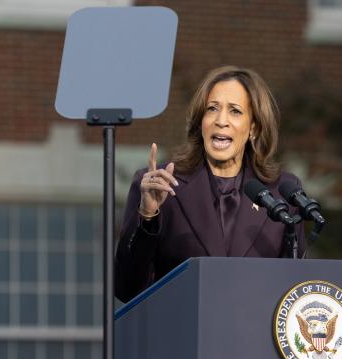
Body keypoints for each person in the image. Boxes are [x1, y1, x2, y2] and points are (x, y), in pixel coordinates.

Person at [114, 66, 305, 303]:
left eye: (235, 111)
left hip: (253, 335)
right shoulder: (159, 185)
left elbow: (294, 294)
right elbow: (127, 289)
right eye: (212, 109)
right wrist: (148, 215)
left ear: (254, 127)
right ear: (200, 121)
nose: (221, 121)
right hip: (184, 334)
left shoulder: (283, 191)